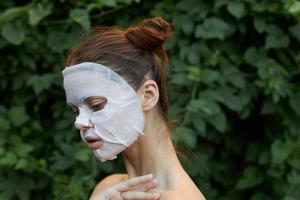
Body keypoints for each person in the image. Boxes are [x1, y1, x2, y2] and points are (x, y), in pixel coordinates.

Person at [62, 17, 206, 200]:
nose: (79, 123)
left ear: (148, 95)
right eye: (76, 110)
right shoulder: (109, 189)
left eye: (96, 105)